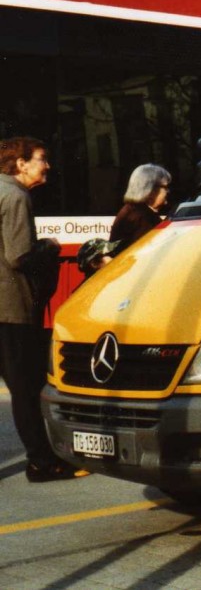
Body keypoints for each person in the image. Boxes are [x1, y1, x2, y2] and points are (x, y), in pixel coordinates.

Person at [0, 136, 84, 482]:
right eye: (41, 159)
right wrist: (48, 247)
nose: (47, 166)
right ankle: (41, 462)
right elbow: (18, 256)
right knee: (26, 387)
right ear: (21, 164)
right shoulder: (16, 196)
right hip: (11, 306)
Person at [109, 164, 171, 254]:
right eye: (165, 187)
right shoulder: (141, 217)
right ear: (151, 190)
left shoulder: (133, 211)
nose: (168, 191)